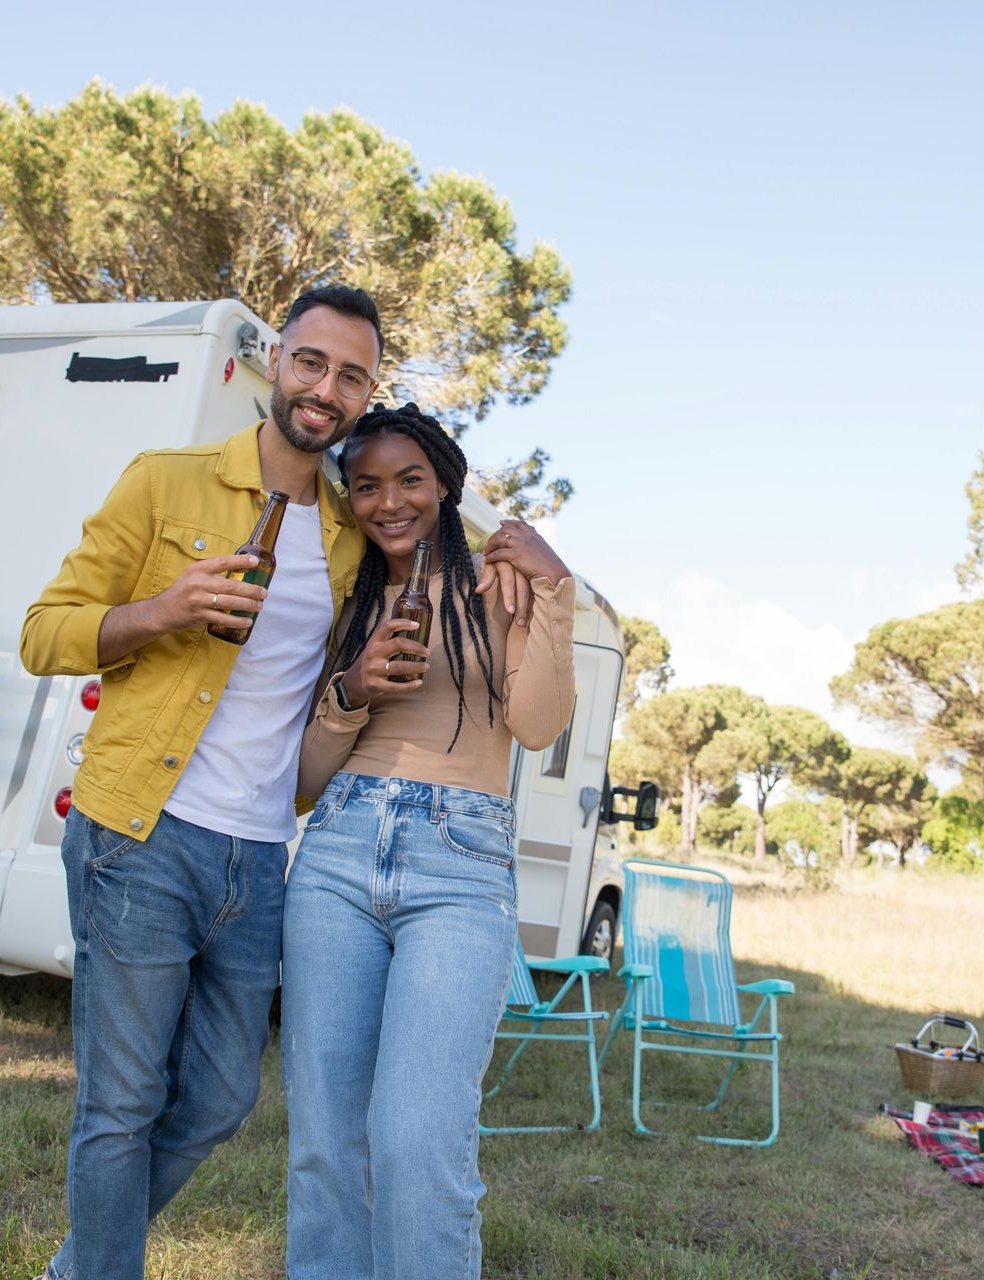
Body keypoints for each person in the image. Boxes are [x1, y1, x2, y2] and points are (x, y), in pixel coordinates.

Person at [19, 285, 382, 1280]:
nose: (325, 389)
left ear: (366, 393)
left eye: (352, 374)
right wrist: (163, 608)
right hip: (143, 832)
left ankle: (81, 1261)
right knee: (121, 1105)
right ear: (276, 362)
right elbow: (42, 631)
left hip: (261, 856)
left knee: (221, 1099)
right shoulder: (168, 482)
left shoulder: (353, 536)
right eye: (312, 362)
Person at [281, 402, 575, 1280]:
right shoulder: (348, 594)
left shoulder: (501, 583)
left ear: (445, 483)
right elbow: (302, 784)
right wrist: (352, 690)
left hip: (460, 858)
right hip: (335, 853)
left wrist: (556, 589)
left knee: (417, 1138)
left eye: (409, 479)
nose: (388, 502)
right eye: (365, 485)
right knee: (325, 1143)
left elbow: (536, 725)